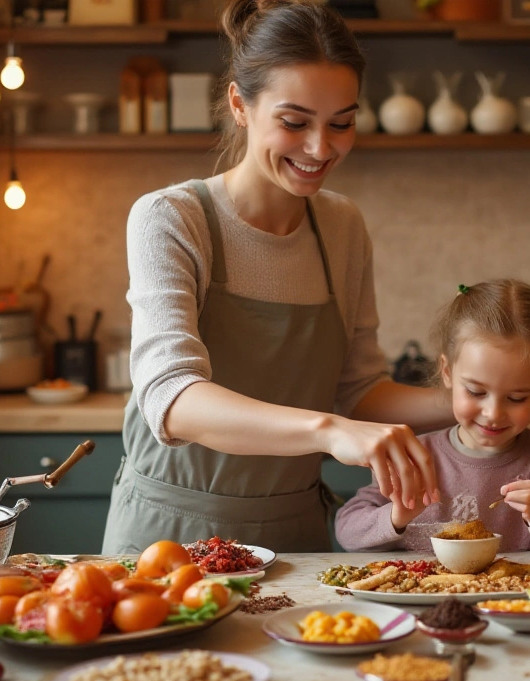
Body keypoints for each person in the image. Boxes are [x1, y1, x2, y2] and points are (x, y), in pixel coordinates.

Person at [101, 0, 452, 555]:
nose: (320, 148)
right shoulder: (171, 217)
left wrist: (476, 398)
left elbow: (359, 390)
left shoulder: (342, 226)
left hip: (295, 538)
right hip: (168, 541)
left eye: (342, 123)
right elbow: (171, 397)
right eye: (294, 122)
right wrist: (330, 431)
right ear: (240, 104)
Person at [335, 280, 530, 566]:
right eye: (476, 392)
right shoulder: (414, 457)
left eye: (516, 398)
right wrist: (395, 517)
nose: (493, 413)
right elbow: (347, 533)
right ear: (447, 373)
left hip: (513, 605)